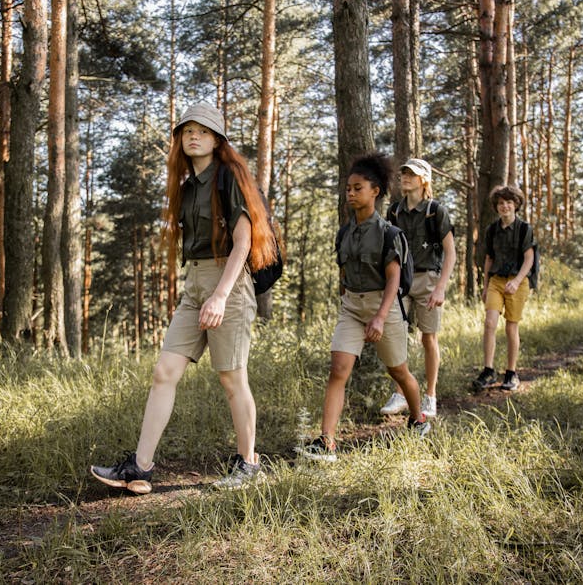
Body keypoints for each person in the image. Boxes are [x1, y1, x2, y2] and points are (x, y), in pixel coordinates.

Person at [90, 102, 281, 493]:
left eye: (204, 131)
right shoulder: (186, 185)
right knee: (164, 372)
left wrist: (221, 296)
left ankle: (248, 464)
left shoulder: (230, 177)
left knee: (231, 377)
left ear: (217, 140)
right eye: (187, 130)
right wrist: (202, 294)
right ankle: (140, 469)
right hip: (195, 284)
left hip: (228, 280)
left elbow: (244, 241)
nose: (194, 136)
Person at [297, 153, 430, 463]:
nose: (351, 193)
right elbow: (344, 273)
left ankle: (418, 419)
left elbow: (394, 279)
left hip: (383, 306)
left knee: (398, 370)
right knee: (338, 370)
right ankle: (326, 442)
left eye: (358, 188)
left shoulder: (389, 234)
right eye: (348, 189)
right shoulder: (344, 233)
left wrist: (380, 318)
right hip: (352, 307)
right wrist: (348, 301)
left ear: (376, 192)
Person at [381, 158, 456, 418]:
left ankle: (430, 396)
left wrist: (441, 288)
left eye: (411, 174)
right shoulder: (394, 211)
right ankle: (400, 393)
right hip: (400, 281)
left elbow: (451, 253)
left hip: (428, 281)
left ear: (423, 180)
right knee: (396, 335)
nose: (405, 177)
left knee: (428, 338)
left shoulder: (436, 211)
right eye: (403, 173)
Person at [472, 185, 536, 393]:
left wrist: (517, 281)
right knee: (490, 322)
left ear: (516, 205)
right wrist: (486, 285)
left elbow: (529, 258)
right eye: (501, 203)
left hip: (517, 281)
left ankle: (511, 373)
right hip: (497, 281)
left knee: (511, 326)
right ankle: (489, 371)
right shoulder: (492, 230)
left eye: (509, 202)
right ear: (496, 206)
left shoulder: (524, 229)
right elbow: (489, 258)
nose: (505, 206)